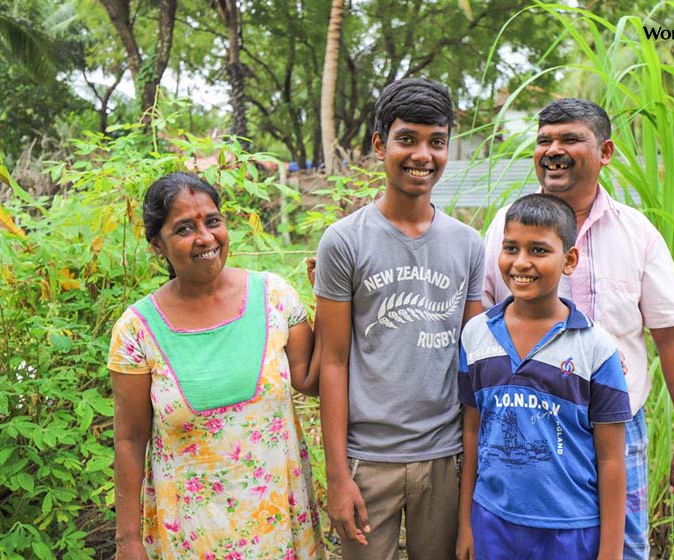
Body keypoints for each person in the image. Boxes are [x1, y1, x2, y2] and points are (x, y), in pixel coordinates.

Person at [481, 99, 674, 559]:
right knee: (530, 541)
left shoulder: (636, 233)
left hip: (619, 429)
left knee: (621, 548)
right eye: (544, 140)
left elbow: (673, 336)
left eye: (569, 139)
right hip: (529, 427)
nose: (553, 149)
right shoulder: (506, 230)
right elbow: (481, 324)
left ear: (604, 151)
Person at [108, 172, 325, 560]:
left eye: (212, 221)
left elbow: (310, 379)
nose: (205, 238)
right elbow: (129, 439)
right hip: (191, 538)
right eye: (184, 229)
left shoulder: (275, 296)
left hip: (278, 528)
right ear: (157, 244)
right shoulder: (135, 331)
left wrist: (330, 298)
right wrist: (128, 541)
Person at [313, 78, 485, 560]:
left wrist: (470, 479)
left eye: (437, 141)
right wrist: (337, 475)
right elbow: (333, 362)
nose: (422, 155)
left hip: (444, 458)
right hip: (368, 462)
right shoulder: (345, 242)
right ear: (379, 144)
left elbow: (472, 361)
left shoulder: (468, 245)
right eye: (407, 139)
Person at [457, 193, 632, 560]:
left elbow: (612, 458)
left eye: (538, 250)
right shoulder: (476, 336)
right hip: (493, 523)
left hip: (571, 531)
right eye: (511, 248)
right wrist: (466, 525)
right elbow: (472, 432)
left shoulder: (596, 347)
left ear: (568, 260)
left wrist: (612, 552)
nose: (521, 262)